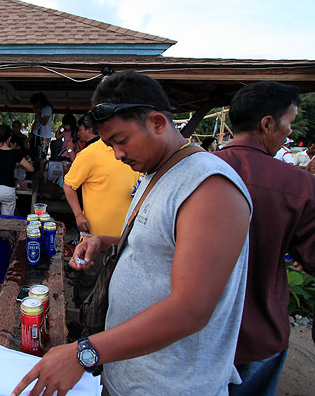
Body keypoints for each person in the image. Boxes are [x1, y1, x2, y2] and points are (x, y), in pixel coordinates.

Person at [13, 71, 252, 396]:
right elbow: (162, 244)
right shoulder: (158, 172)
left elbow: (190, 310)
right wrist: (108, 242)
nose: (118, 155)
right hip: (128, 374)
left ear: (157, 122)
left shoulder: (209, 187)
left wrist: (85, 352)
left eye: (121, 141)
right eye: (110, 145)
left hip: (171, 385)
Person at [214, 81, 315, 396]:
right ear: (267, 123)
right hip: (258, 330)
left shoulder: (191, 170)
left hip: (194, 333)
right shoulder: (297, 184)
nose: (288, 133)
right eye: (288, 124)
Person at [63, 112, 140, 306]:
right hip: (93, 241)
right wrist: (78, 214)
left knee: (117, 294)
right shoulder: (90, 153)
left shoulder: (135, 152)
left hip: (127, 242)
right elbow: (69, 184)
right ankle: (81, 329)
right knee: (88, 291)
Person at [0, 125, 34, 215]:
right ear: (9, 139)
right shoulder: (15, 153)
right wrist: (17, 166)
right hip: (8, 190)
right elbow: (31, 169)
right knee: (8, 220)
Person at [29, 92, 53, 179]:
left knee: (42, 156)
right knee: (34, 155)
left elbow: (44, 122)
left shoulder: (47, 108)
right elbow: (35, 122)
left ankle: (40, 175)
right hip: (36, 134)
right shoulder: (39, 109)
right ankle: (34, 172)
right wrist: (31, 134)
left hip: (45, 136)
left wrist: (37, 113)